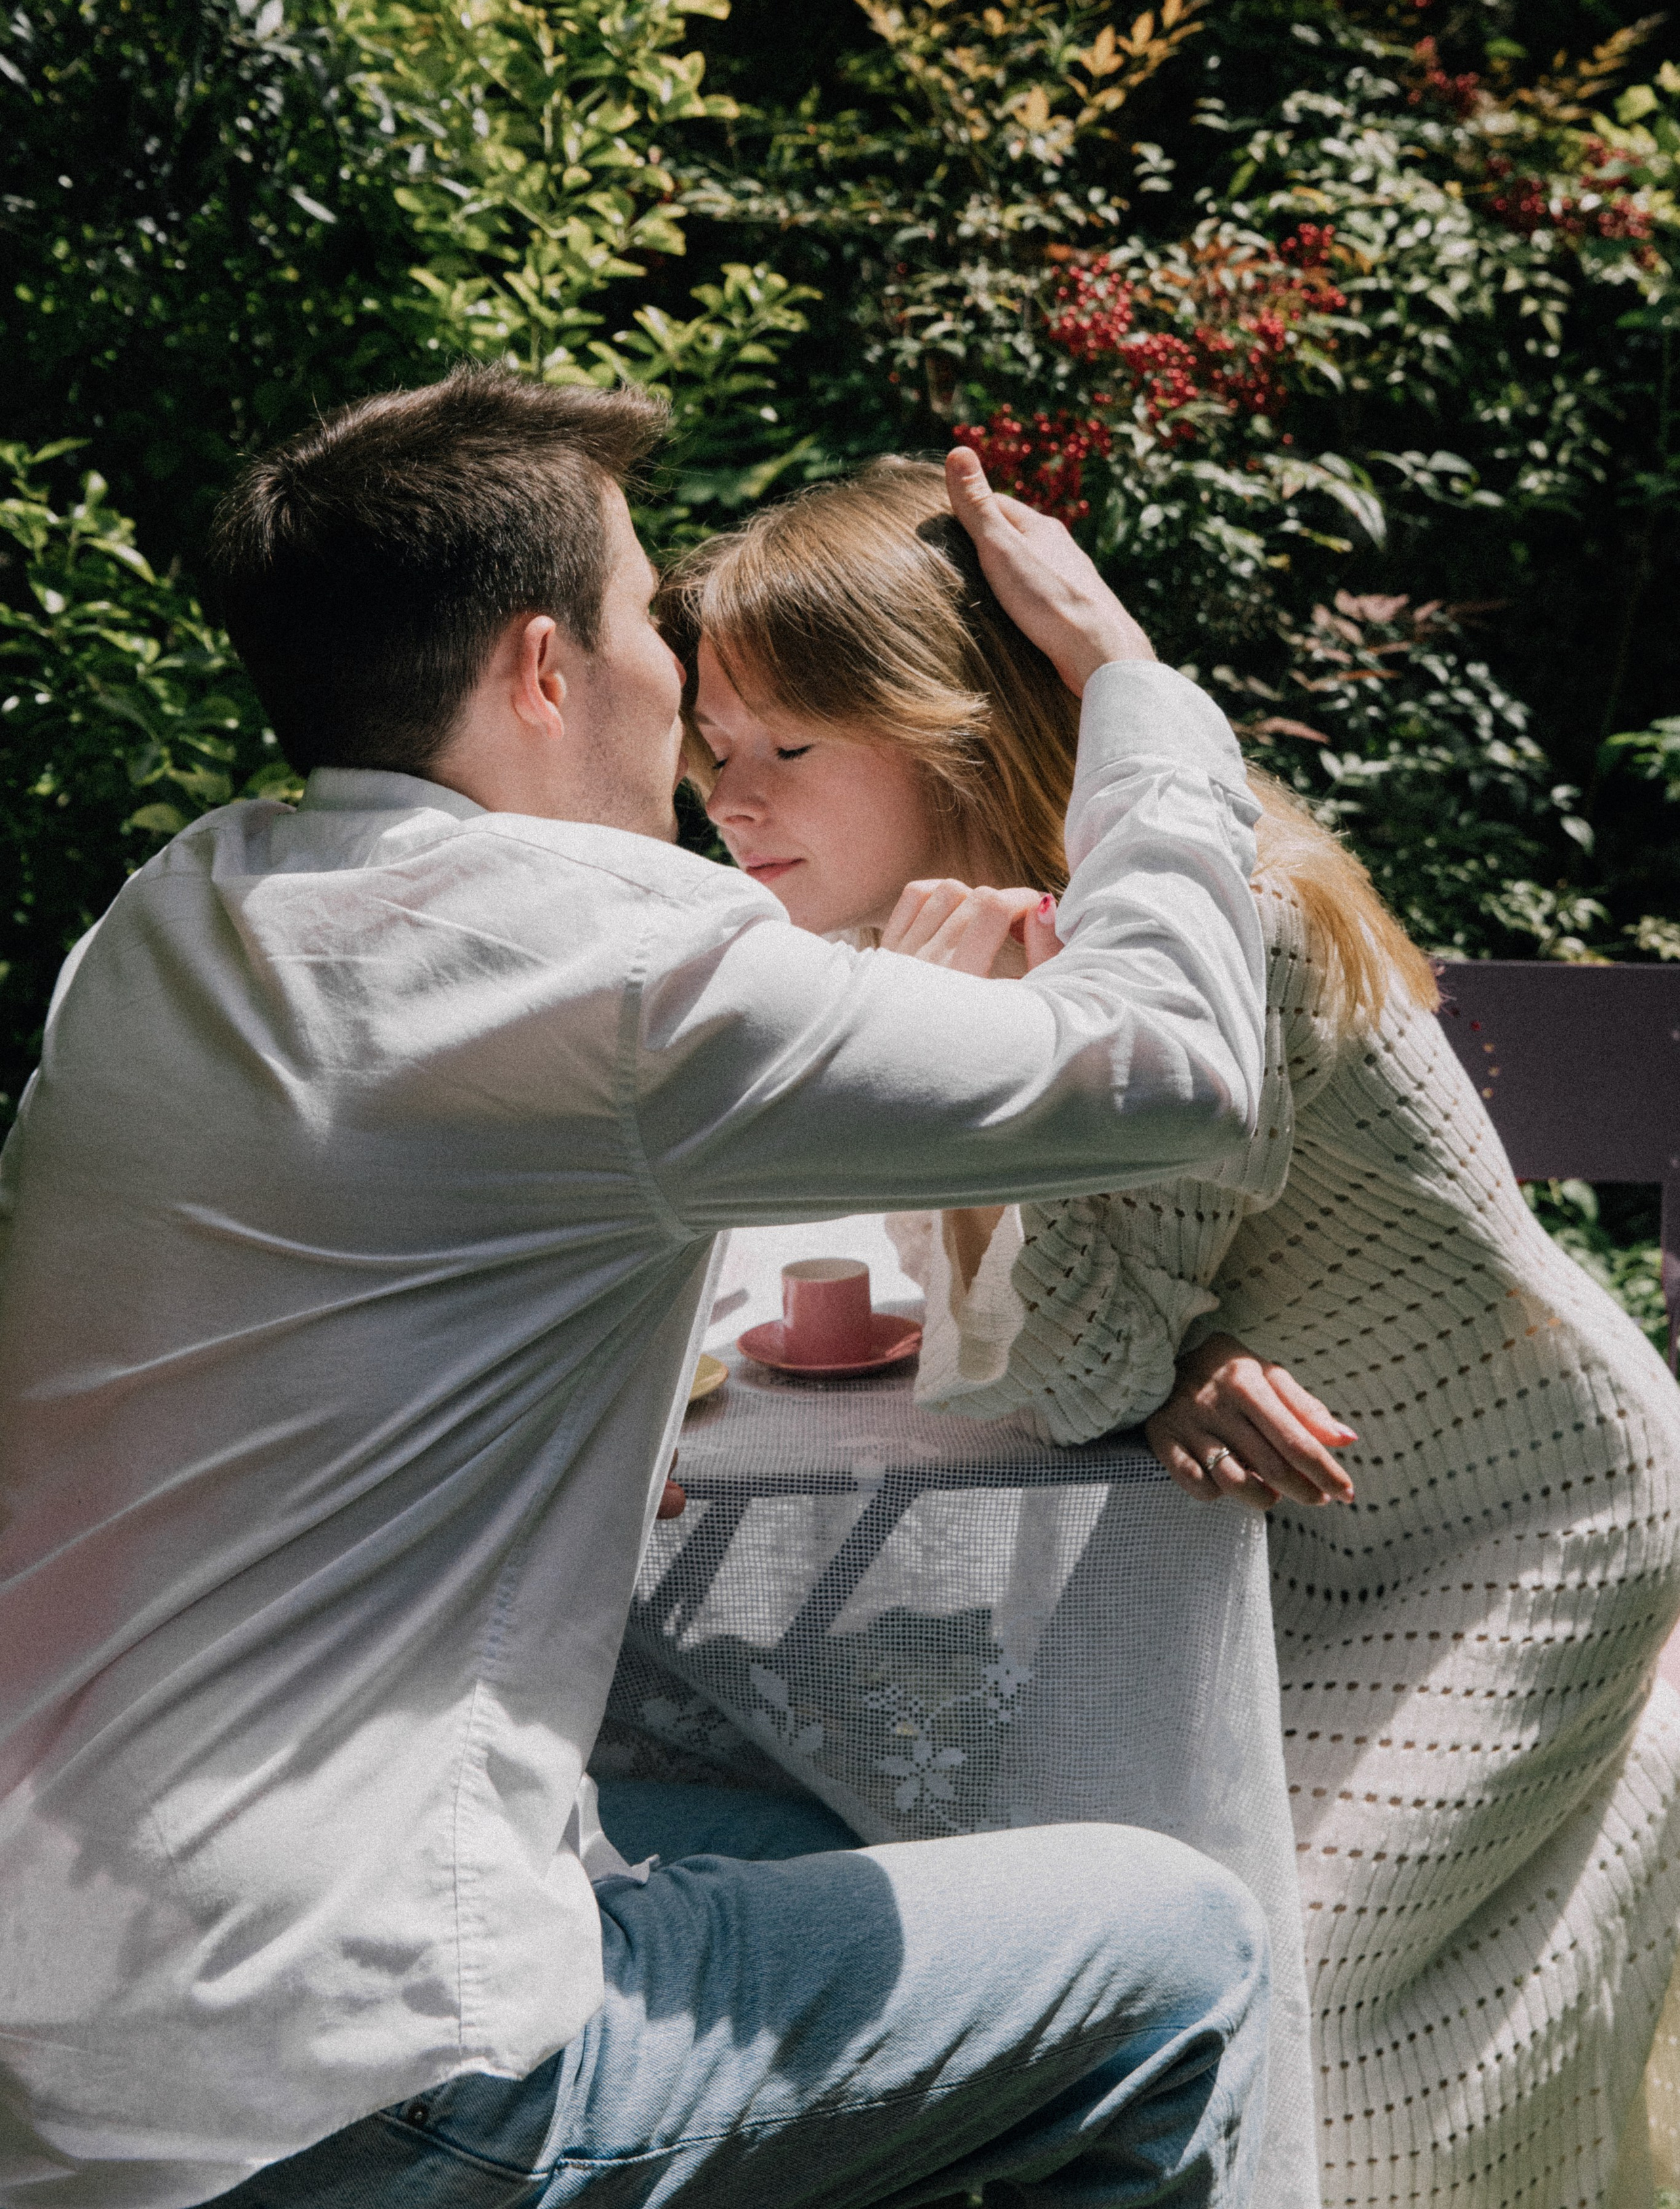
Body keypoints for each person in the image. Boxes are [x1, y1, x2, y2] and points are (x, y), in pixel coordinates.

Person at [0, 371, 1279, 2209]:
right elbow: (1174, 1070)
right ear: (542, 669)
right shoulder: (604, 958)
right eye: (638, 623)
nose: (674, 699)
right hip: (351, 2081)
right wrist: (1134, 689)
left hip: (61, 2035)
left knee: (804, 1829)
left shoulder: (167, 923)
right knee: (1180, 1951)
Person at [658, 455, 1680, 2209]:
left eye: (790, 749)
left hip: (1520, 1522)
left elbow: (1062, 1365)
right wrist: (1176, 1365)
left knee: (1303, 1996)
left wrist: (1148, 1360)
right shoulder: (1018, 934)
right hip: (1295, 1524)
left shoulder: (1219, 931)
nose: (733, 807)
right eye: (710, 756)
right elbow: (1102, 1336)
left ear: (955, 728)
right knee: (1182, 1945)